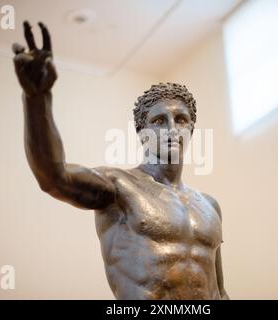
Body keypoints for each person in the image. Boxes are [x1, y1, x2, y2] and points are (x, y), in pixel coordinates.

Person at [12, 21, 229, 300]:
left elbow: (220, 291)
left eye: (181, 120)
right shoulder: (118, 187)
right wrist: (36, 98)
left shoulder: (209, 206)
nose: (172, 129)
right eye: (159, 121)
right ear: (142, 133)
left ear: (191, 130)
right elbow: (54, 178)